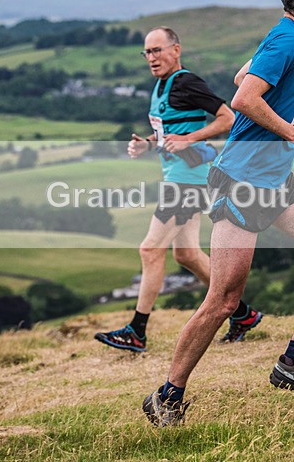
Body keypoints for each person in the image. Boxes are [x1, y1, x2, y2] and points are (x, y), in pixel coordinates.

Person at [143, 0, 294, 427]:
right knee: (223, 300)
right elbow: (242, 99)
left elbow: (245, 75)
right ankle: (167, 394)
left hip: (276, 182)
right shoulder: (286, 39)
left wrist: (285, 133)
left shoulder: (289, 40)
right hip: (241, 183)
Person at [95, 26, 263, 354]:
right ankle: (242, 313)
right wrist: (148, 144)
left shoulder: (186, 82)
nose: (152, 58)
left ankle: (137, 331)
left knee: (149, 249)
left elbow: (227, 118)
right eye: (147, 52)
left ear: (176, 50)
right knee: (185, 254)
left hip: (190, 180)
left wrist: (189, 140)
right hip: (181, 177)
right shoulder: (162, 87)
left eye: (158, 50)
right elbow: (173, 131)